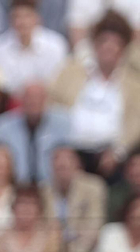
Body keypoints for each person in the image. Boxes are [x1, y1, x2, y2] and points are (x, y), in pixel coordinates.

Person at [50, 12, 140, 179]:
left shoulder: (134, 85)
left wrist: (118, 152)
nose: (109, 48)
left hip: (113, 157)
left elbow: (136, 123)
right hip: (73, 150)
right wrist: (64, 148)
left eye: (116, 44)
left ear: (123, 49)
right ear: (95, 45)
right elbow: (54, 105)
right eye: (104, 42)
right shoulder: (71, 73)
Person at [0, 82, 70, 185]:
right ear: (21, 100)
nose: (34, 102)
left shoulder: (64, 123)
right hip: (14, 186)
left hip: (52, 187)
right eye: (29, 97)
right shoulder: (2, 126)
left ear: (46, 99)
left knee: (65, 156)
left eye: (38, 97)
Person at [42, 144, 108, 252]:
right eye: (57, 162)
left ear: (77, 164)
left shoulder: (93, 187)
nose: (61, 165)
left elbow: (94, 226)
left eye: (67, 161)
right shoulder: (44, 191)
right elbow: (43, 228)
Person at [0, 0, 68, 94]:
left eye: (27, 16)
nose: (22, 22)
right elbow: (2, 85)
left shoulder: (56, 45)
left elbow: (58, 83)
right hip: (12, 104)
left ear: (37, 18)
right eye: (17, 17)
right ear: (10, 20)